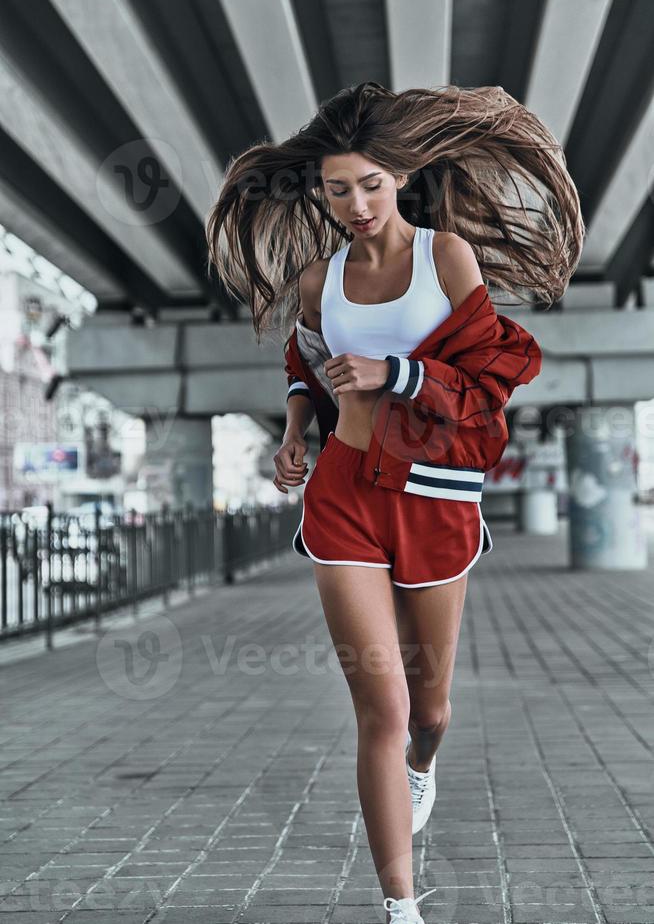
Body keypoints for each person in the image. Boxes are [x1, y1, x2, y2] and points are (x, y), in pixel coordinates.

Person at [206, 81, 584, 924]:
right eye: (338, 189)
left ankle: (424, 764)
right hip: (342, 496)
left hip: (432, 494)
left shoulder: (446, 258)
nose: (356, 204)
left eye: (370, 184)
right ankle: (400, 908)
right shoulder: (319, 280)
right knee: (383, 706)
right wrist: (296, 430)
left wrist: (395, 373)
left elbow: (496, 375)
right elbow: (304, 368)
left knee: (431, 709)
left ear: (400, 177)